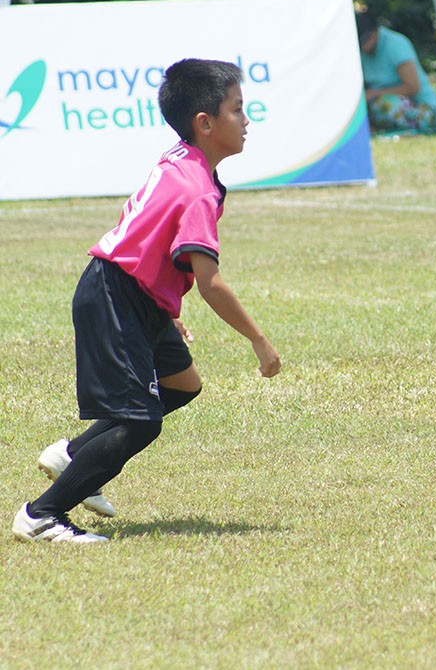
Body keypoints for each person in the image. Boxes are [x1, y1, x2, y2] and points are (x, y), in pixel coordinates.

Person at [12, 59, 281, 543]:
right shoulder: (198, 189)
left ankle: (70, 457)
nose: (248, 121)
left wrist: (161, 304)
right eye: (238, 111)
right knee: (139, 423)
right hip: (116, 297)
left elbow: (142, 228)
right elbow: (210, 282)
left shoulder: (179, 159)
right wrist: (259, 340)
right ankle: (41, 516)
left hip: (135, 294)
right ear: (205, 122)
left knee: (182, 384)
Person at [356, 11, 436, 133]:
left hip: (421, 106)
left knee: (383, 105)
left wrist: (373, 94)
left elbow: (412, 87)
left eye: (364, 41)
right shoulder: (362, 52)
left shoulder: (395, 44)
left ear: (374, 33)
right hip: (378, 103)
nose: (362, 47)